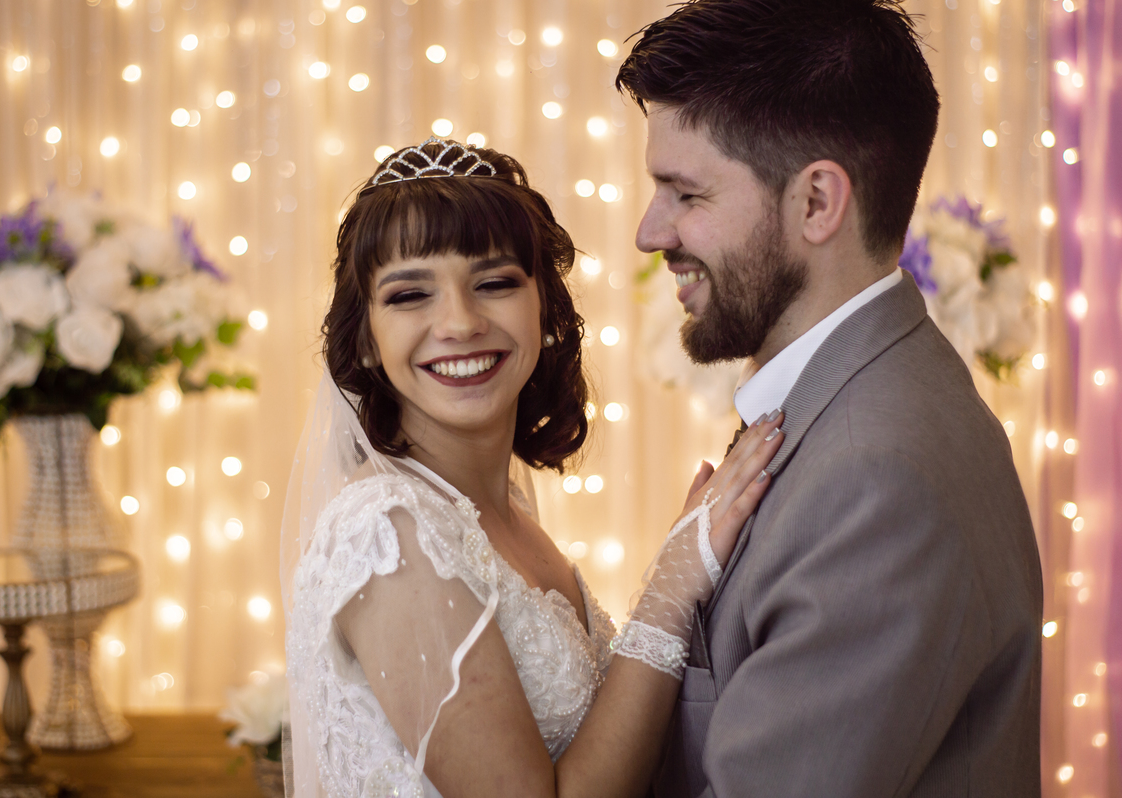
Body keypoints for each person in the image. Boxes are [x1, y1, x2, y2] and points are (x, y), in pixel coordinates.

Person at [614, 1, 1043, 796]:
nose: (650, 231)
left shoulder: (875, 479)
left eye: (685, 194)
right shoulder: (850, 397)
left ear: (816, 202)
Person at [280, 138, 784, 798]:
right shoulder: (385, 532)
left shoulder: (502, 512)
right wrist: (669, 590)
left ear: (545, 311)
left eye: (494, 284)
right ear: (366, 342)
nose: (459, 323)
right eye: (409, 296)